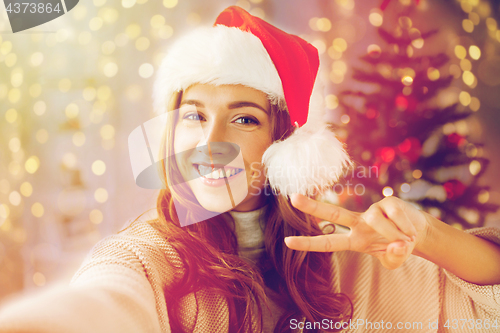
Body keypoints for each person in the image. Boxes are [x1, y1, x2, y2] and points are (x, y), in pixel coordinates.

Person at [1, 5, 500, 333]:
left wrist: (428, 234)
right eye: (195, 115)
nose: (211, 143)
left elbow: (485, 308)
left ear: (283, 142)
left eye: (243, 118)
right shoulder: (147, 257)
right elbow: (102, 305)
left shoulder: (350, 252)